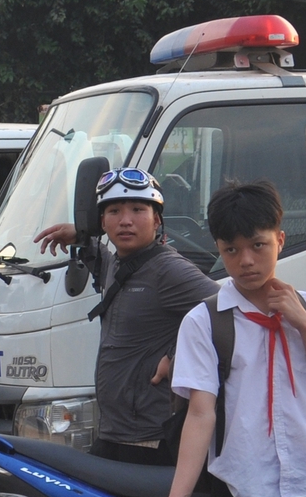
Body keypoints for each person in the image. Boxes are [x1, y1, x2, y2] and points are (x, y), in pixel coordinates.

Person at [155, 181, 306, 497]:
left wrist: (304, 325)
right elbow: (200, 412)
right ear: (219, 250)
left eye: (257, 245)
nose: (245, 261)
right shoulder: (205, 321)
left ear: (280, 239)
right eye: (232, 250)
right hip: (240, 490)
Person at [35, 169, 218, 464]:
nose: (125, 220)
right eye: (114, 211)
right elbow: (106, 262)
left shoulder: (169, 270)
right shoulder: (119, 262)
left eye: (138, 209)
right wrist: (81, 234)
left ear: (156, 219)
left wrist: (178, 354)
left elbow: (227, 309)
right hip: (115, 431)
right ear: (101, 221)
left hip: (149, 438)